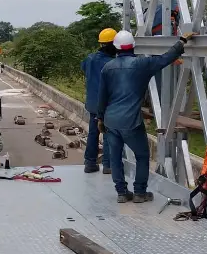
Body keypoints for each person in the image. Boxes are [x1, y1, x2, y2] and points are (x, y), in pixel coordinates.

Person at [97, 30, 194, 203]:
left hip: (111, 120)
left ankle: (121, 193)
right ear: (133, 46)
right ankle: (140, 193)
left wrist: (100, 118)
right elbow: (166, 58)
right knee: (142, 156)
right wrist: (182, 41)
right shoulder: (143, 64)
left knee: (115, 157)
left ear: (116, 47)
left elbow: (102, 96)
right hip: (131, 121)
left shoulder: (107, 68)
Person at [81, 28, 118, 174]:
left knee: (93, 133)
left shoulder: (89, 59)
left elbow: (84, 69)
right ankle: (108, 165)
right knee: (108, 133)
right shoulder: (111, 63)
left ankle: (90, 163)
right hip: (107, 104)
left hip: (92, 104)